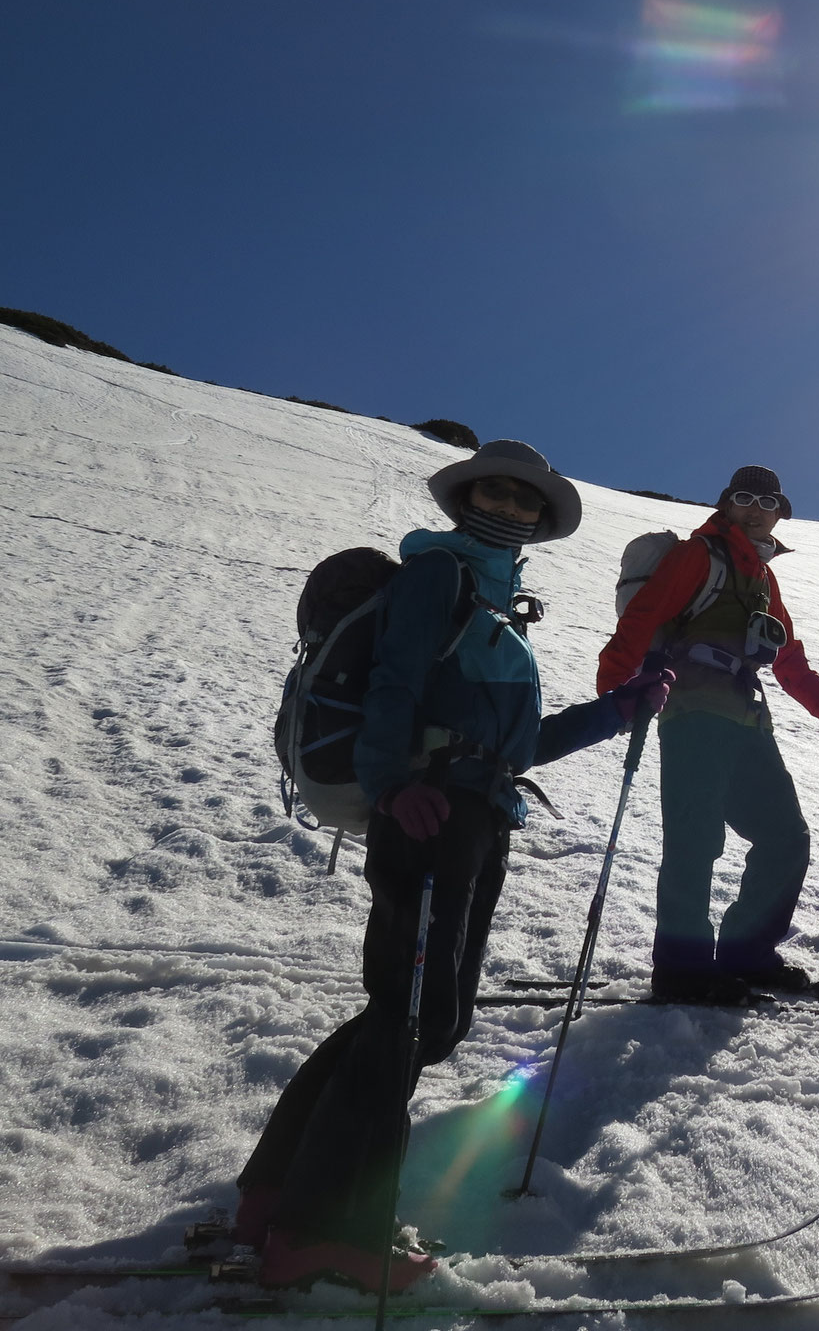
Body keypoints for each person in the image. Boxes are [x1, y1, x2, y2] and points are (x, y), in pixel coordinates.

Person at [235, 440, 673, 1290]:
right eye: (495, 494)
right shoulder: (441, 578)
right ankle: (329, 1230)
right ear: (464, 499)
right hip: (432, 814)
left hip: (472, 812)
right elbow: (396, 687)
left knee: (411, 1017)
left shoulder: (497, 603)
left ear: (539, 521)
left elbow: (510, 748)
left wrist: (618, 711)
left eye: (524, 502)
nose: (507, 509)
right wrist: (396, 783)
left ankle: (276, 1193)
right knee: (409, 1018)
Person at [597, 464, 819, 1004]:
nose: (757, 508)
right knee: (695, 840)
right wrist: (614, 691)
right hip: (693, 709)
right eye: (745, 498)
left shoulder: (762, 576)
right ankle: (682, 968)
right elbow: (644, 616)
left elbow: (786, 652)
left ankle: (746, 955)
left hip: (746, 715)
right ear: (726, 503)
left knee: (786, 836)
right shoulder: (699, 555)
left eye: (770, 501)